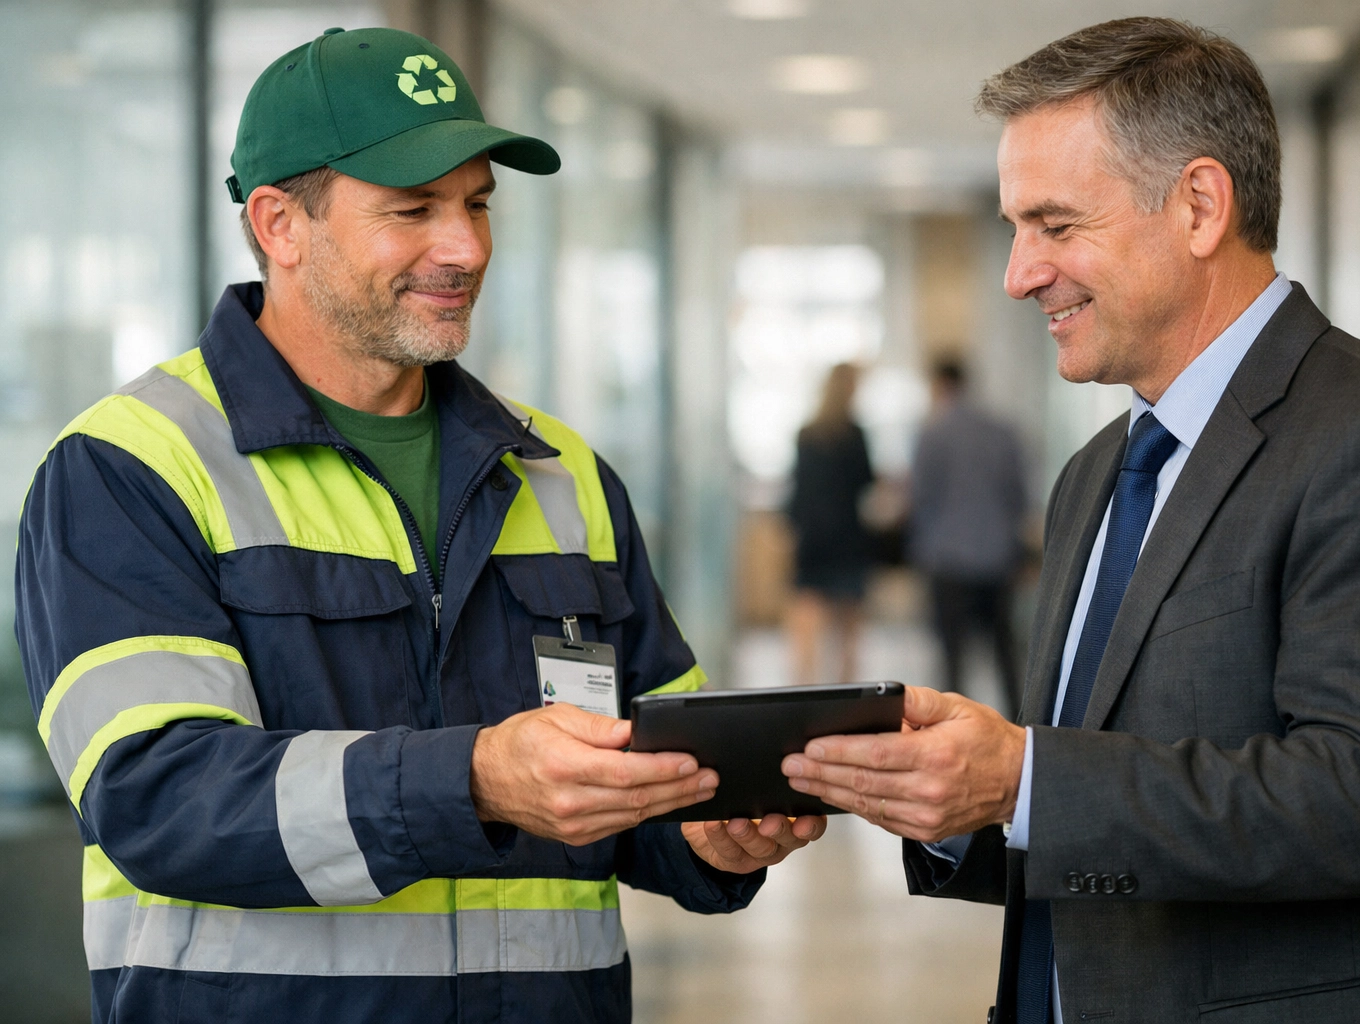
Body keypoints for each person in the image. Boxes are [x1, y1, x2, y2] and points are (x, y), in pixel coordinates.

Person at [15, 27, 823, 1024]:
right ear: (279, 223)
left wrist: (703, 832)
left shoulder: (563, 475)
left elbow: (644, 770)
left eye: (478, 203)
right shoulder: (132, 468)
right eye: (414, 209)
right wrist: (474, 780)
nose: (467, 247)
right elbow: (158, 795)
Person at [780, 17, 1360, 1023]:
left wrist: (1024, 775)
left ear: (1201, 206)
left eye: (1055, 224)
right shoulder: (1096, 474)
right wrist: (960, 804)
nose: (1019, 272)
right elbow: (1104, 825)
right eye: (1014, 228)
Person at [909, 359, 1028, 716]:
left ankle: (952, 725)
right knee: (1005, 650)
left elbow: (921, 498)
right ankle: (1023, 725)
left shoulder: (933, 434)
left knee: (952, 655)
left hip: (948, 559)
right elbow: (1018, 496)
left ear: (939, 384)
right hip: (997, 556)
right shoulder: (1003, 431)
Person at [784, 362, 876, 685]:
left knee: (807, 621)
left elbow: (796, 489)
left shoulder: (806, 434)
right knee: (848, 627)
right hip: (847, 536)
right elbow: (866, 483)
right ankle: (846, 690)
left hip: (812, 537)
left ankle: (803, 687)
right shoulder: (855, 435)